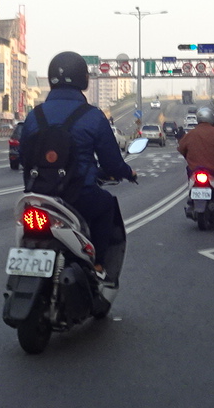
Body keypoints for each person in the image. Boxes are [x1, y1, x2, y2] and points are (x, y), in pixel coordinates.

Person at [18, 51, 138, 288]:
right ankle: (99, 265)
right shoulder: (93, 117)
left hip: (39, 197)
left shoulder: (34, 116)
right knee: (105, 206)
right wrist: (127, 173)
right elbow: (111, 162)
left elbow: (23, 157)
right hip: (79, 196)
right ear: (83, 79)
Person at [176, 105, 214, 190]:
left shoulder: (192, 133)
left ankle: (191, 191)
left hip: (195, 169)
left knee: (189, 171)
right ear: (212, 118)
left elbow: (181, 148)